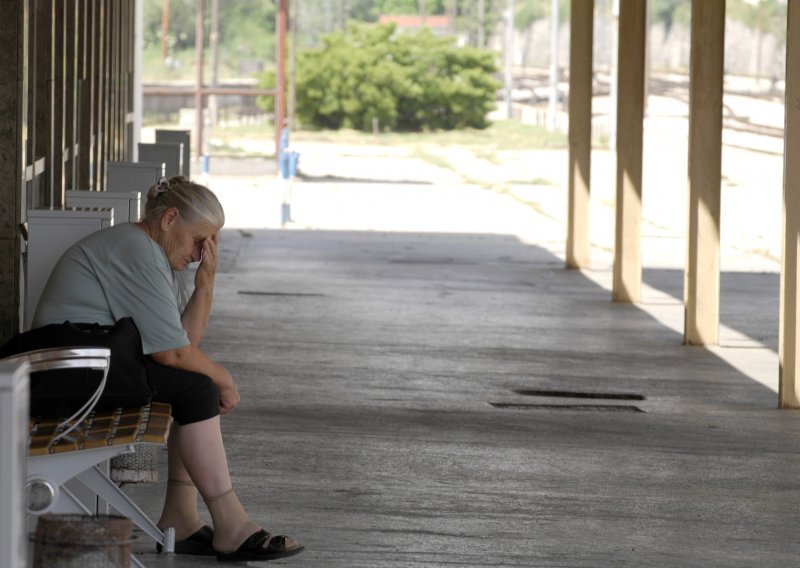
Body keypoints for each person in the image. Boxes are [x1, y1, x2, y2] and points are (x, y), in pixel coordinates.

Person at [33, 176, 304, 562]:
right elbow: (172, 355)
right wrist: (225, 378)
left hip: (89, 364)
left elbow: (184, 345)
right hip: (66, 369)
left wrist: (206, 282)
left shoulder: (155, 256)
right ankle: (229, 522)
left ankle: (183, 518)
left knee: (192, 386)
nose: (201, 252)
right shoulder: (134, 249)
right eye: (199, 240)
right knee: (197, 389)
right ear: (170, 217)